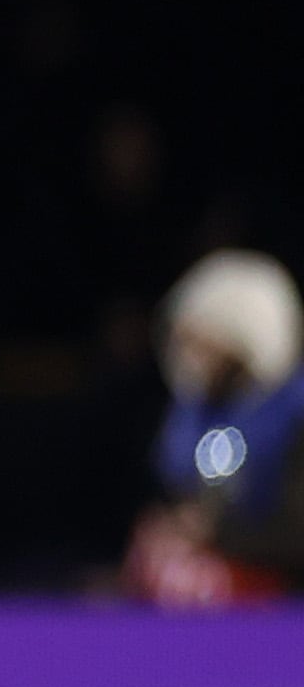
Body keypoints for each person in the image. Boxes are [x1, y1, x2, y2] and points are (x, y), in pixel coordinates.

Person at [126, 248, 304, 605]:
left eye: (206, 345)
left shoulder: (293, 418)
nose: (190, 359)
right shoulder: (191, 414)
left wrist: (216, 532)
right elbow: (182, 495)